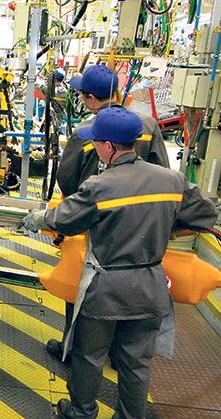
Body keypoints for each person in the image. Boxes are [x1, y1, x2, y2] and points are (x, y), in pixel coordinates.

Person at [21, 107, 217, 419]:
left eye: (96, 142)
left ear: (109, 146)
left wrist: (35, 219)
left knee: (90, 355)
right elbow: (205, 215)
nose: (95, 147)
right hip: (150, 285)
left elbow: (65, 220)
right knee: (136, 361)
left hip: (106, 289)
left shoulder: (100, 186)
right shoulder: (172, 180)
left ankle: (82, 410)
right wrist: (166, 227)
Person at [47, 65, 171, 364]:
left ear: (89, 98)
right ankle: (119, 355)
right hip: (140, 226)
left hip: (95, 224)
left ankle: (74, 349)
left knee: (83, 285)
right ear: (116, 91)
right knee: (131, 288)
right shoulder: (148, 125)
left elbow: (67, 180)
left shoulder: (86, 132)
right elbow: (161, 171)